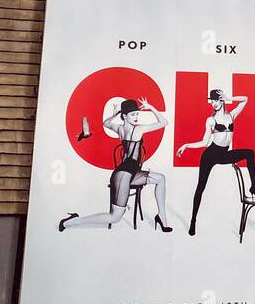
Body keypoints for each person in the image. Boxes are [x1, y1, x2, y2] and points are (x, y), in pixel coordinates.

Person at [59, 98, 172, 232]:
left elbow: (106, 123)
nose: (136, 117)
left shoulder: (119, 128)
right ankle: (71, 222)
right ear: (124, 116)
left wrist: (114, 114)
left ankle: (162, 217)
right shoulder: (139, 129)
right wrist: (150, 106)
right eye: (133, 114)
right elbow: (164, 122)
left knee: (160, 178)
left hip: (130, 173)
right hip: (123, 176)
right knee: (115, 217)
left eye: (137, 114)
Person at [176, 89, 255, 235]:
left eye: (216, 100)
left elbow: (246, 98)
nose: (213, 103)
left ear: (221, 100)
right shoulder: (211, 120)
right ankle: (193, 221)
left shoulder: (231, 115)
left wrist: (229, 98)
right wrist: (186, 145)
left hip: (224, 154)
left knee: (249, 153)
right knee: (200, 187)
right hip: (210, 155)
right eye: (212, 101)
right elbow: (204, 142)